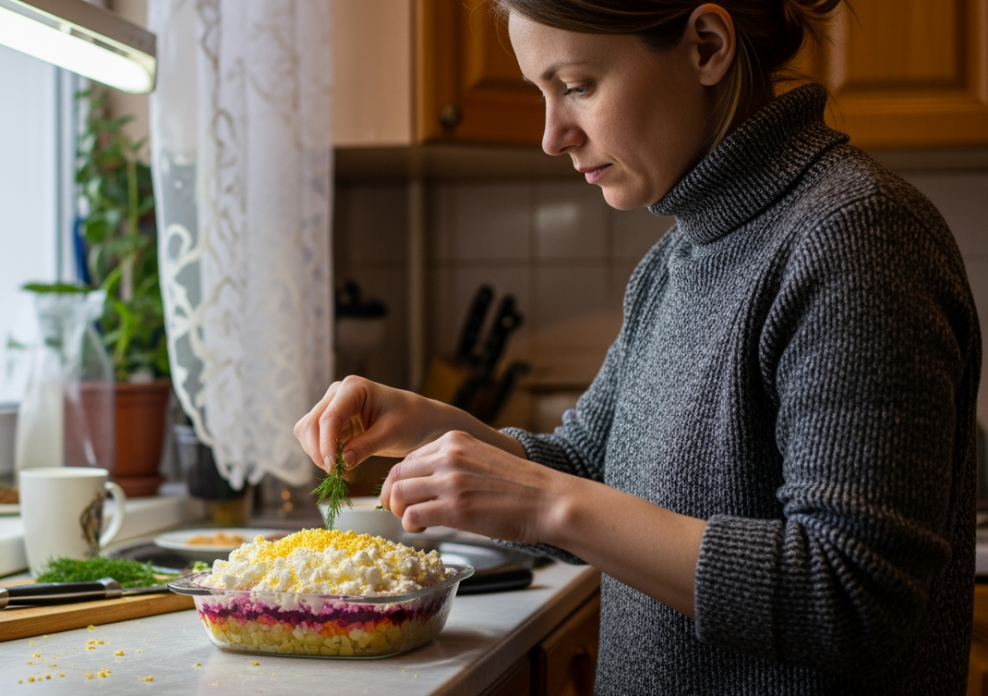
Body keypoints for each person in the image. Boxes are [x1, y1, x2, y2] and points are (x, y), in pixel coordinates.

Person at [294, 1, 981, 694]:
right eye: (542, 93)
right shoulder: (675, 261)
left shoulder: (856, 237)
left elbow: (851, 601)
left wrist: (547, 503)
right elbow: (586, 470)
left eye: (577, 86)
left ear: (707, 46)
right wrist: (426, 425)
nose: (551, 135)